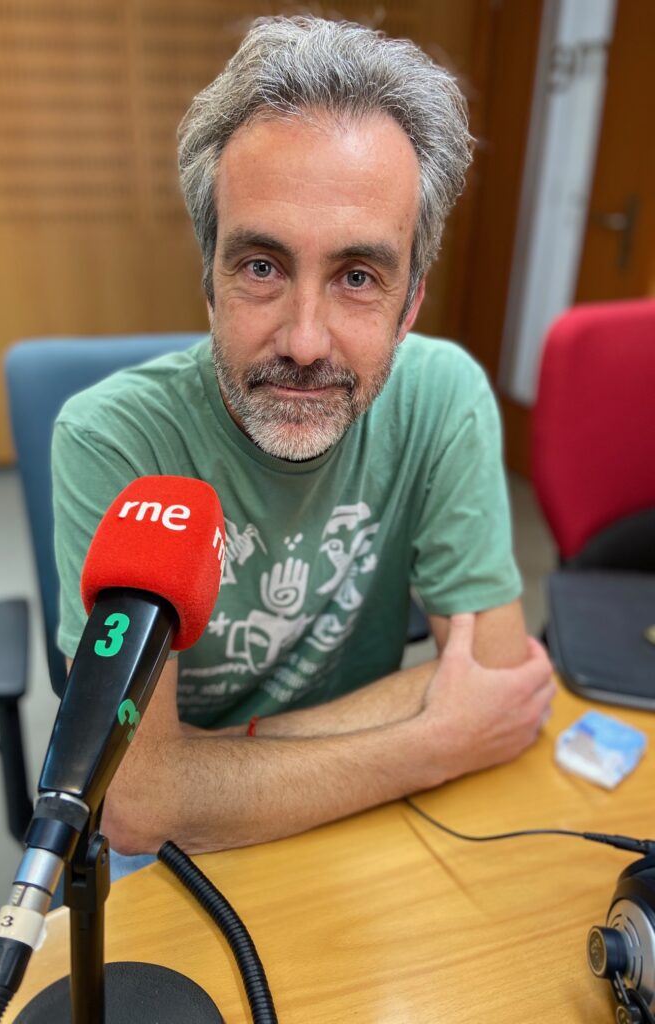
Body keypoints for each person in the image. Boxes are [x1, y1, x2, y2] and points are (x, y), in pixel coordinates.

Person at [52, 15, 555, 858]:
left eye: (358, 277)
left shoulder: (442, 396)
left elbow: (499, 679)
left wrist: (200, 767)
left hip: (368, 826)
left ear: (410, 305)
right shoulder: (114, 439)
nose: (306, 341)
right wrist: (433, 738)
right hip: (194, 859)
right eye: (262, 267)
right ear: (209, 284)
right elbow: (133, 802)